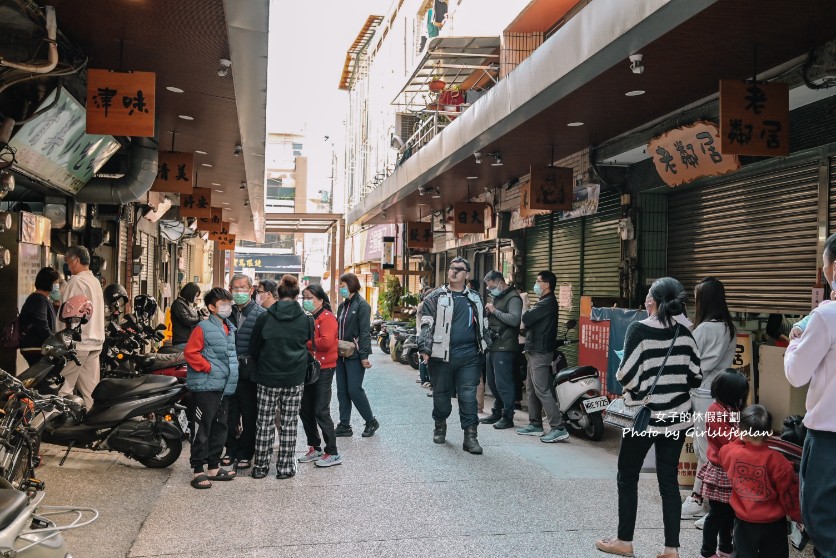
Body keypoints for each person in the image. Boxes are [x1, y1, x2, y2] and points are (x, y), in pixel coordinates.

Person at [596, 277, 702, 558]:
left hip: (644, 417)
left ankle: (624, 541)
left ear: (652, 302)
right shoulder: (685, 333)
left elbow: (625, 376)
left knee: (628, 476)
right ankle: (671, 549)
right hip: (678, 417)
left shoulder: (639, 330)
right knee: (668, 481)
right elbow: (695, 375)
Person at [784, 232, 836, 558]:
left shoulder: (827, 316)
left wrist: (794, 342)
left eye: (825, 266)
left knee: (823, 521)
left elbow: (796, 373)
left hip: (829, 439)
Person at [418, 257, 491, 454]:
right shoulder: (435, 297)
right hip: (441, 356)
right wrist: (425, 348)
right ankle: (440, 425)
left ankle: (471, 437)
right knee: (441, 395)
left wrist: (486, 346)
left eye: (459, 269)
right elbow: (426, 324)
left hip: (470, 356)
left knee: (468, 396)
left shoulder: (475, 298)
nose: (453, 272)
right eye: (451, 268)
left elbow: (483, 325)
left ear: (467, 275)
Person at [683, 277, 737, 525]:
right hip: (720, 395)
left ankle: (712, 507)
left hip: (703, 394)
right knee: (712, 450)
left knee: (707, 451)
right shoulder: (727, 326)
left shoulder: (705, 329)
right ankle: (699, 498)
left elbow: (695, 364)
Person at [718, 405, 801, 558]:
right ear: (769, 432)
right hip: (773, 523)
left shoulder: (731, 453)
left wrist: (740, 437)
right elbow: (788, 494)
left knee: (744, 554)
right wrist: (798, 516)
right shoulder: (779, 462)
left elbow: (723, 451)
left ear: (741, 430)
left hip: (744, 521)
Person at [250, 275, 311, 479]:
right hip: (295, 378)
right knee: (289, 423)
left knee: (264, 423)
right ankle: (285, 468)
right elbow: (307, 343)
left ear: (278, 294)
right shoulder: (306, 319)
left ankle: (260, 467)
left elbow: (254, 348)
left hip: (267, 377)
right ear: (296, 296)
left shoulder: (264, 317)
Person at [184, 287, 239, 489]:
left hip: (224, 387)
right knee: (202, 428)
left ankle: (213, 467)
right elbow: (191, 353)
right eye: (223, 304)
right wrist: (208, 367)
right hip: (206, 386)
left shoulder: (228, 327)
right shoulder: (203, 327)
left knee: (220, 426)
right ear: (211, 307)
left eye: (229, 303)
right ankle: (198, 470)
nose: (228, 307)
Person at [697, 370, 749, 558]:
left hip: (732, 470)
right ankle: (707, 551)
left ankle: (725, 549)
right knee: (716, 515)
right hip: (720, 471)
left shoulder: (732, 408)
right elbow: (728, 438)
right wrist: (749, 439)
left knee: (729, 515)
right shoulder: (715, 411)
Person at [516, 270, 568, 443]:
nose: (536, 285)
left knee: (542, 389)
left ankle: (558, 427)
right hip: (534, 349)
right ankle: (535, 424)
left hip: (540, 350)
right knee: (531, 388)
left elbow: (527, 318)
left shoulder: (547, 303)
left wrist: (525, 303)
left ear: (546, 284)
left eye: (538, 282)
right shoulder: (543, 302)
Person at [221, 274, 266, 471]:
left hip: (250, 373)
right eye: (235, 288)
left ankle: (247, 452)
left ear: (251, 290)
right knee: (229, 414)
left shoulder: (260, 314)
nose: (239, 292)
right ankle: (230, 450)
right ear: (230, 290)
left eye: (242, 288)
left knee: (249, 414)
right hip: (228, 371)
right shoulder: (225, 313)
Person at [298, 284, 341, 467]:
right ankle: (315, 447)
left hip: (324, 369)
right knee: (305, 409)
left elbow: (325, 342)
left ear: (320, 300)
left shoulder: (327, 317)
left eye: (310, 298)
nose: (307, 301)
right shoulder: (309, 317)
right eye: (305, 298)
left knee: (320, 411)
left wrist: (303, 342)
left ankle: (332, 452)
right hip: (309, 368)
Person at [58, 246, 105, 409]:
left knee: (63, 387)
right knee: (90, 391)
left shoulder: (77, 281)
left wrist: (65, 340)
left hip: (79, 342)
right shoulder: (95, 281)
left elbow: (71, 312)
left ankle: (56, 427)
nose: (68, 266)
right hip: (95, 341)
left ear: (76, 260)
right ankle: (96, 428)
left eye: (68, 262)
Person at [334, 272, 379, 438]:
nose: (340, 289)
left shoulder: (362, 305)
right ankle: (344, 425)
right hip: (340, 354)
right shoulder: (343, 306)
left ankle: (371, 421)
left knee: (354, 389)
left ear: (351, 285)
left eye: (343, 286)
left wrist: (364, 356)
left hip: (355, 355)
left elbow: (365, 332)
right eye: (340, 286)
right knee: (342, 391)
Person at [479, 270, 522, 430]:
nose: (490, 290)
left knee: (504, 383)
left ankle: (507, 416)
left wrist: (495, 310)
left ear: (500, 283)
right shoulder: (497, 297)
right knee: (493, 382)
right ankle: (497, 411)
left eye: (491, 286)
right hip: (493, 345)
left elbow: (515, 319)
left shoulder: (513, 298)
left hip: (505, 346)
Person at [19, 267, 61, 366]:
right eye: (56, 282)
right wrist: (55, 342)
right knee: (40, 379)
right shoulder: (38, 299)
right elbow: (41, 324)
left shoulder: (43, 299)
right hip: (34, 346)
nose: (57, 285)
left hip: (38, 346)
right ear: (48, 283)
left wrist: (56, 305)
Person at [170, 282, 202, 350]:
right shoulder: (178, 304)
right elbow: (187, 320)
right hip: (182, 341)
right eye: (195, 296)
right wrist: (199, 319)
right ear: (190, 294)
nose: (196, 298)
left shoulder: (187, 304)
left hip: (189, 340)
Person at [415, 286, 434, 390]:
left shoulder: (421, 305)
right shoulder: (424, 305)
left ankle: (424, 379)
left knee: (423, 358)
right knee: (424, 358)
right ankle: (424, 380)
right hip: (422, 334)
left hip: (420, 333)